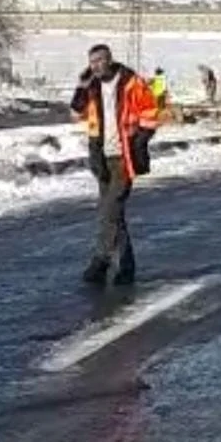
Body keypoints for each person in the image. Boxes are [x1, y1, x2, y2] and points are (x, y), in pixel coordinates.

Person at [70, 44, 159, 286]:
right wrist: (81, 86)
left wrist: (138, 141)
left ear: (109, 60)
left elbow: (151, 113)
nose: (95, 66)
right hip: (101, 157)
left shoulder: (131, 82)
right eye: (91, 62)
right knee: (112, 214)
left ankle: (102, 261)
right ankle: (125, 267)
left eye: (99, 60)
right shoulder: (92, 86)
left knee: (110, 210)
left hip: (124, 157)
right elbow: (76, 112)